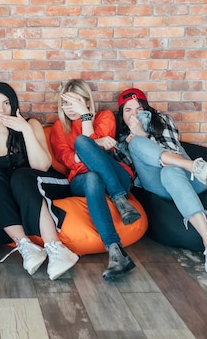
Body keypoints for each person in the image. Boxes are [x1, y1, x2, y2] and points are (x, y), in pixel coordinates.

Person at [0, 82, 78, 280]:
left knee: (21, 175)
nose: (1, 110)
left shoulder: (31, 125)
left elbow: (42, 165)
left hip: (48, 182)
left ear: (14, 104)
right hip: (16, 191)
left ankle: (56, 247)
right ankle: (26, 245)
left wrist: (25, 130)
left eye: (6, 103)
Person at [114, 87, 207, 276]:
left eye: (139, 109)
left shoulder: (162, 121)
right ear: (121, 115)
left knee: (170, 171)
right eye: (128, 110)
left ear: (147, 110)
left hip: (192, 181)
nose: (134, 114)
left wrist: (144, 134)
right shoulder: (121, 140)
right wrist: (135, 140)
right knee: (138, 145)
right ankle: (195, 166)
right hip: (157, 185)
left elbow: (173, 151)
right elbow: (132, 174)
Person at [49, 78, 138, 281]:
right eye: (66, 103)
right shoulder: (59, 128)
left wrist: (85, 118)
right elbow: (71, 160)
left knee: (83, 144)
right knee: (92, 176)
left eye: (75, 102)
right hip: (83, 181)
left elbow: (93, 154)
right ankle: (116, 251)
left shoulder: (105, 117)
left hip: (117, 177)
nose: (69, 108)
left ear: (87, 102)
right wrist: (94, 145)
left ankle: (119, 197)